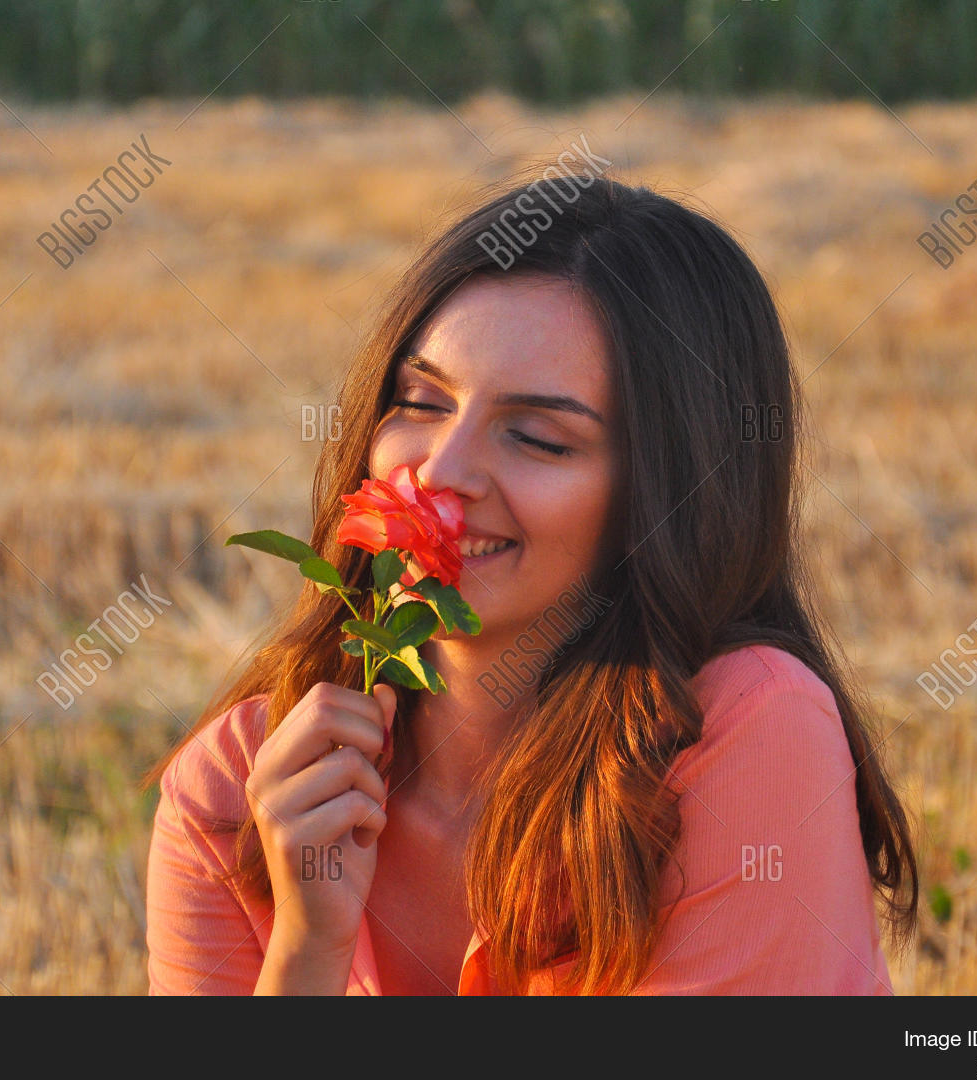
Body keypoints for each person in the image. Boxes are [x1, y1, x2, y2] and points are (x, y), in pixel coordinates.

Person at [143, 173, 918, 995]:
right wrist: (305, 948)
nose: (441, 471)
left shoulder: (748, 729)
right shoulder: (232, 792)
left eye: (540, 440)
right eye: (420, 401)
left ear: (668, 495)